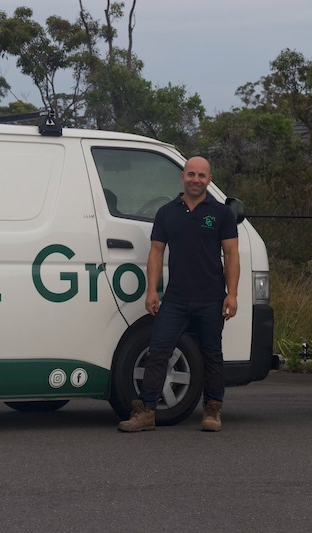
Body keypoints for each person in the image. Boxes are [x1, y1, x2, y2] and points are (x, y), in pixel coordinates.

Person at [118, 156, 239, 433]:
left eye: (202, 176)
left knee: (211, 354)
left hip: (211, 297)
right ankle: (147, 411)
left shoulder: (221, 214)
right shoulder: (166, 213)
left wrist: (231, 295)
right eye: (191, 174)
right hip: (176, 298)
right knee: (159, 350)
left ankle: (212, 410)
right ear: (183, 176)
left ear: (209, 179)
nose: (196, 180)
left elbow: (231, 255)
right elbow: (156, 252)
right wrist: (151, 290)